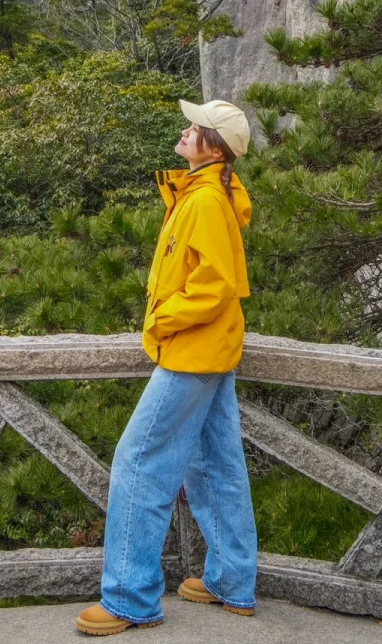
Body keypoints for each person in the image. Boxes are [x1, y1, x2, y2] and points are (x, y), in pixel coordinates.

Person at [75, 98, 258, 636]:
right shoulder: (204, 192)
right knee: (213, 464)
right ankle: (231, 580)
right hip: (210, 350)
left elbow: (215, 284)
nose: (184, 130)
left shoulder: (204, 201)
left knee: (138, 461)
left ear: (215, 146)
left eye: (195, 127)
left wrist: (160, 320)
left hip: (192, 351)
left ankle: (130, 598)